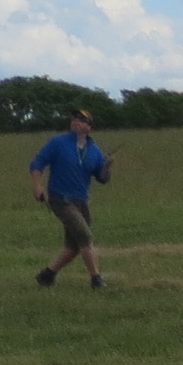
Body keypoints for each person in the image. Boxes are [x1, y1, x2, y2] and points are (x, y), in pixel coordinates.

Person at [28, 108, 111, 288]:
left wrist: (107, 166)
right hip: (60, 198)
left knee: (74, 246)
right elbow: (38, 163)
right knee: (85, 236)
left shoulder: (94, 150)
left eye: (81, 120)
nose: (76, 121)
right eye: (74, 119)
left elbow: (102, 178)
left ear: (89, 126)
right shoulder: (58, 143)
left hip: (82, 200)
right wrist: (38, 185)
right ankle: (96, 278)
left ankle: (47, 275)